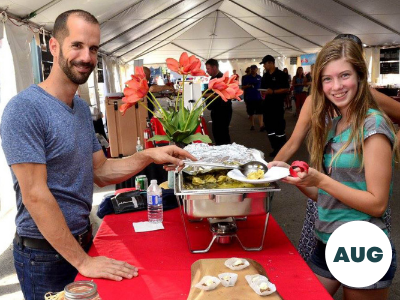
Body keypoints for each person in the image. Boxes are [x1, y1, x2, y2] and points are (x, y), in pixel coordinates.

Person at [0, 10, 196, 300]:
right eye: (77, 45)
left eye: (93, 49)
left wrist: (149, 156)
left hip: (82, 240)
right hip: (44, 256)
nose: (87, 57)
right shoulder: (24, 109)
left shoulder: (78, 108)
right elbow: (35, 195)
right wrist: (83, 262)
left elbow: (101, 171)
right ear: (54, 46)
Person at [271, 38, 399, 299]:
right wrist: (300, 180)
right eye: (327, 79)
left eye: (344, 76)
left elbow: (377, 204)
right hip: (327, 240)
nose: (336, 86)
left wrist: (320, 180)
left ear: (360, 77)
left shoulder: (373, 127)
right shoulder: (337, 124)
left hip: (361, 245)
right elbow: (330, 197)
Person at [259, 55, 290, 156]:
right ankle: (275, 148)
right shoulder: (265, 75)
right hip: (267, 105)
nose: (264, 66)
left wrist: (273, 92)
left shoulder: (281, 75)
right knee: (269, 128)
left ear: (271, 63)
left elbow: (286, 88)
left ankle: (282, 149)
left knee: (279, 128)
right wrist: (263, 92)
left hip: (277, 105)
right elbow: (263, 88)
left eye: (265, 64)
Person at [204, 58, 233, 145]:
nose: (207, 71)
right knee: (217, 133)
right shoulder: (212, 78)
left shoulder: (222, 78)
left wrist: (204, 94)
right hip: (216, 110)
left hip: (223, 110)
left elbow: (219, 95)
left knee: (222, 133)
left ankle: (226, 152)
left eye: (208, 68)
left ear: (214, 67)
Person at [241, 65, 263, 130]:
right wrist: (248, 86)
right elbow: (242, 87)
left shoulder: (259, 77)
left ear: (257, 69)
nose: (253, 70)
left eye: (254, 69)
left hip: (258, 97)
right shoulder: (246, 78)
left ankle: (261, 125)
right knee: (251, 113)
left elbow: (262, 86)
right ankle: (252, 125)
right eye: (252, 69)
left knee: (260, 112)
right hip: (250, 97)